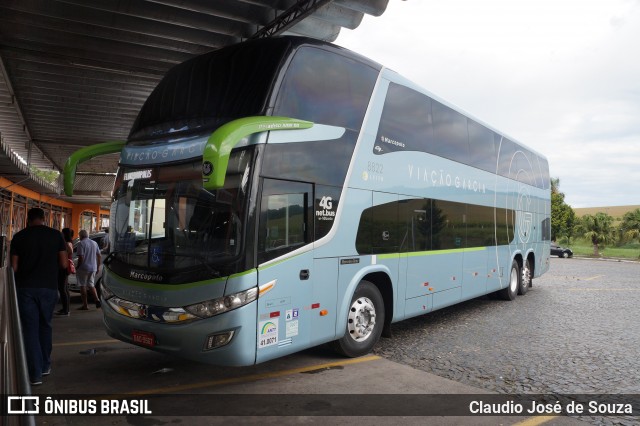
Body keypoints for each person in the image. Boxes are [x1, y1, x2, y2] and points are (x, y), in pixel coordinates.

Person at [10, 207, 67, 386]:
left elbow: (14, 268)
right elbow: (64, 263)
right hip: (48, 288)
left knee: (30, 330)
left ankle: (34, 375)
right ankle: (44, 366)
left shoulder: (19, 237)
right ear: (44, 218)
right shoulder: (56, 235)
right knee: (45, 326)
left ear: (28, 219)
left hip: (25, 289)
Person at [75, 229, 101, 310]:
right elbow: (99, 256)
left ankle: (85, 305)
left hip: (83, 268)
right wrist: (97, 266)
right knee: (91, 284)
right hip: (93, 267)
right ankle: (97, 300)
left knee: (82, 285)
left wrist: (78, 267)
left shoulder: (81, 243)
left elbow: (81, 257)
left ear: (81, 236)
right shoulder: (94, 243)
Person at [55, 228, 74, 316]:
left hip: (63, 267)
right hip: (65, 266)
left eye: (62, 233)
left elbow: (69, 251)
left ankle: (66, 311)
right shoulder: (69, 242)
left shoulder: (66, 243)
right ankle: (66, 308)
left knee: (62, 288)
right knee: (65, 288)